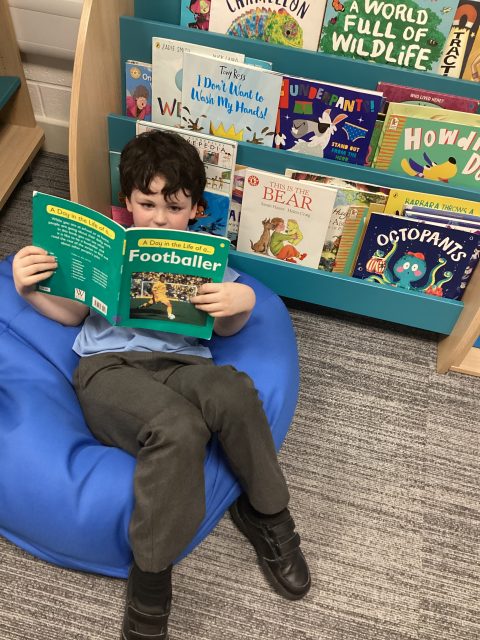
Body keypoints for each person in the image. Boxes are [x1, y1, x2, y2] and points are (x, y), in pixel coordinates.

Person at [12, 130, 311, 639]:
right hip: (110, 369)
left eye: (173, 207)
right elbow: (72, 314)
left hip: (184, 365)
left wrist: (241, 306)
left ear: (195, 210)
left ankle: (268, 513)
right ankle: (150, 580)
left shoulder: (207, 261)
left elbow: (226, 328)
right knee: (178, 429)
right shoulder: (112, 251)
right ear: (127, 202)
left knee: (235, 392)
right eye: (146, 204)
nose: (157, 217)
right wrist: (29, 290)